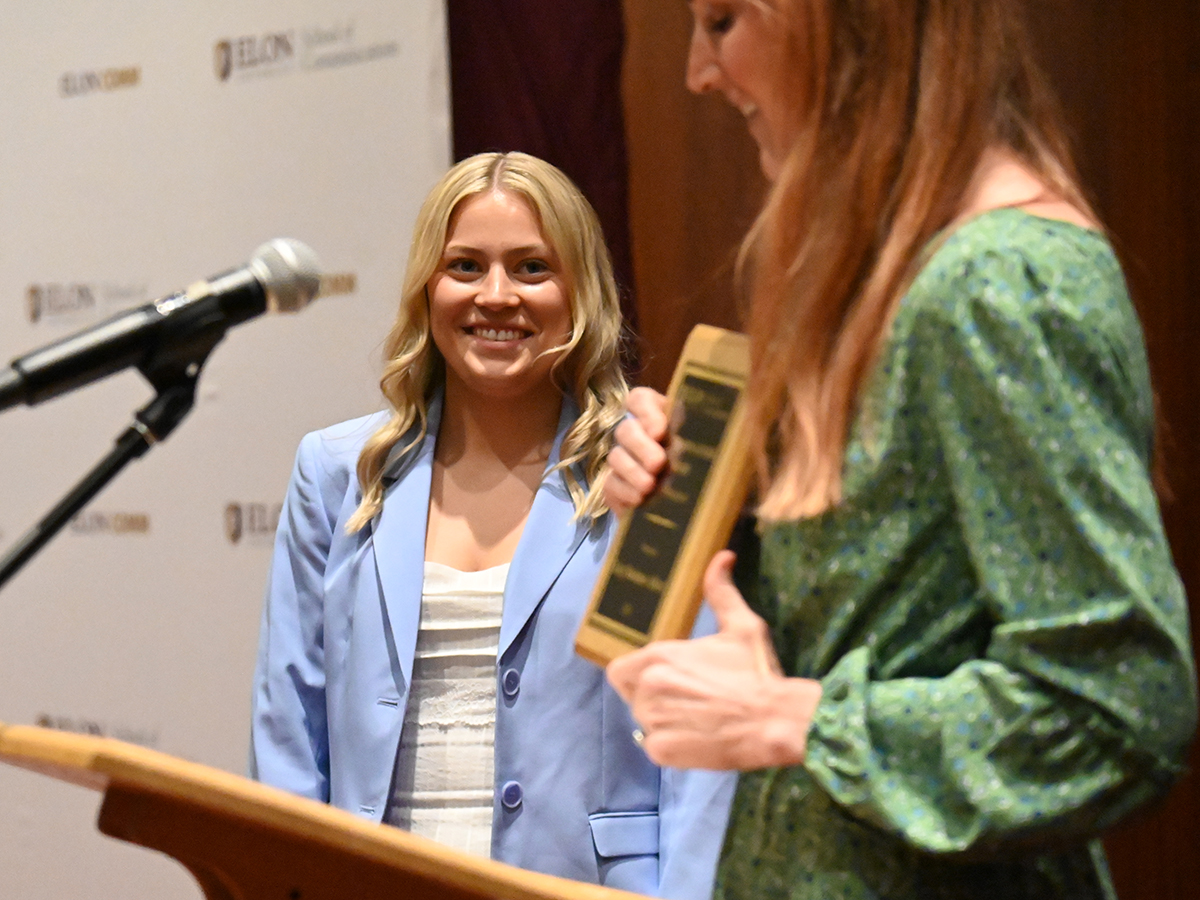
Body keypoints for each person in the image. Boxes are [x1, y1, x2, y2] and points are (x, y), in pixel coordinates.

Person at [604, 2, 1197, 899]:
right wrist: (688, 494)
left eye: (724, 19)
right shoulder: (892, 270)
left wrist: (797, 721)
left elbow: (1116, 707)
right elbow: (876, 625)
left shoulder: (996, 283)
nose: (698, 71)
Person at [250, 151, 733, 898]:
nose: (496, 295)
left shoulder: (649, 466)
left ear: (581, 290)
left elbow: (701, 748)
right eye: (466, 267)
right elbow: (289, 733)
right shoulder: (336, 472)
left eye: (532, 268)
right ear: (427, 288)